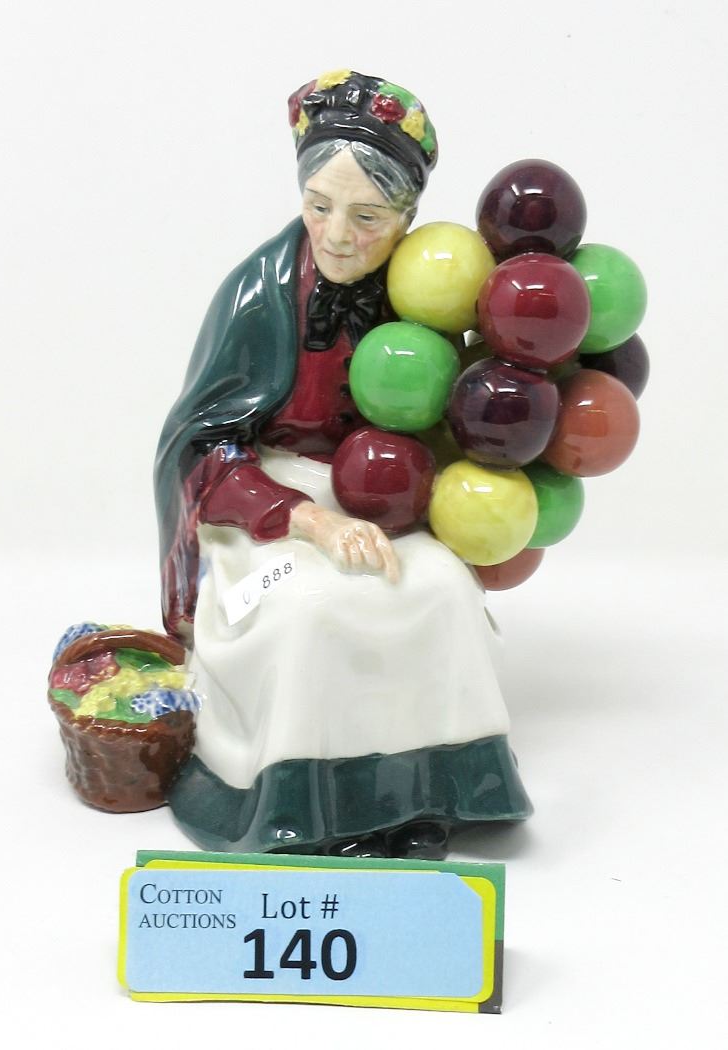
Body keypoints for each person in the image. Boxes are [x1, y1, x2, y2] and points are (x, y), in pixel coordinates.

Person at [154, 70, 532, 859]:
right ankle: (305, 804)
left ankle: (431, 790)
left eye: (367, 217)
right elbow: (203, 448)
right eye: (319, 206)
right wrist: (309, 520)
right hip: (268, 500)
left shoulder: (427, 290)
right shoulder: (257, 294)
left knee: (440, 589)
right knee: (312, 609)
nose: (335, 235)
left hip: (384, 495)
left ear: (408, 218)